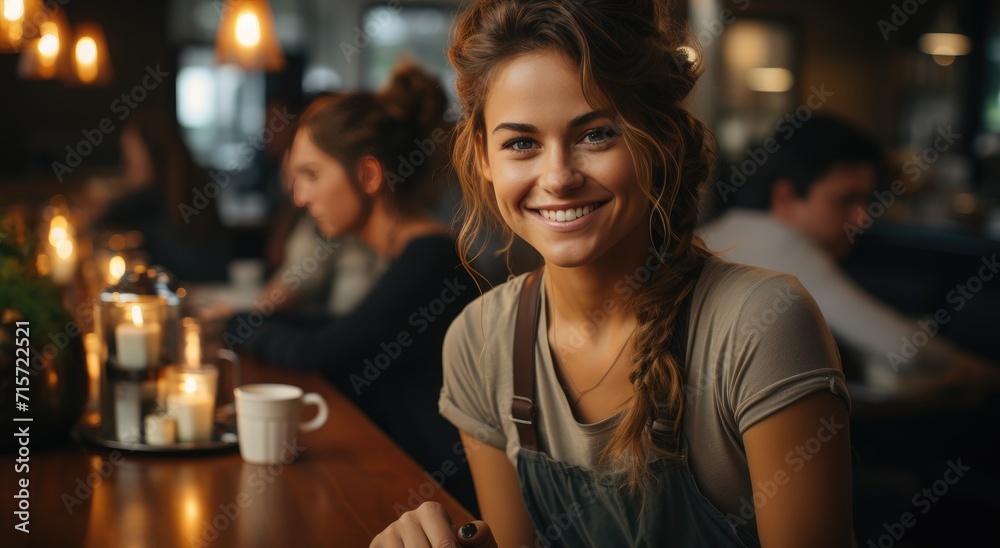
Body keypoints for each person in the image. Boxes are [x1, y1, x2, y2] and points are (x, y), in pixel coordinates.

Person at [372, 1, 853, 547]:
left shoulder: (760, 325)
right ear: (484, 158)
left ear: (660, 138)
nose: (557, 177)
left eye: (596, 134)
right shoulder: (479, 341)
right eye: (522, 143)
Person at [225, 61, 478, 512]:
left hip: (448, 503)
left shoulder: (432, 259)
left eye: (312, 175)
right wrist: (248, 321)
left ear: (367, 175)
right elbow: (346, 328)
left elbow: (321, 350)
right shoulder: (408, 252)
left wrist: (238, 324)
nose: (300, 197)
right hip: (408, 480)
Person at [697, 114, 998, 388]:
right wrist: (986, 373)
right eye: (846, 199)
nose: (863, 218)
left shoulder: (726, 231)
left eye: (868, 199)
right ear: (786, 196)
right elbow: (903, 347)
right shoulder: (779, 244)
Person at [95, 110, 232, 282]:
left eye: (129, 156)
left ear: (152, 153)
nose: (124, 166)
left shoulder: (146, 200)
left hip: (190, 293)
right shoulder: (193, 180)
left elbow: (99, 222)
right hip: (214, 288)